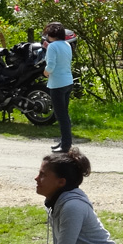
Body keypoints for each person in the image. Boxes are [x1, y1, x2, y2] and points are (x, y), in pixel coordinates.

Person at [43, 21, 74, 153]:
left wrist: (45, 72)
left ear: (51, 34)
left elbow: (50, 66)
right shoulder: (67, 44)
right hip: (68, 81)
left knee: (60, 115)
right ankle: (64, 141)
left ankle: (66, 145)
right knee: (64, 114)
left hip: (57, 84)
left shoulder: (52, 46)